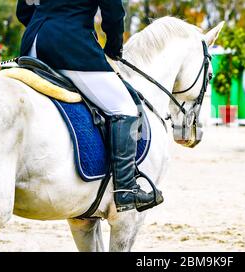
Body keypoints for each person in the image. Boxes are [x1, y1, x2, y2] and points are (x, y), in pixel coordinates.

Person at [16, 0, 162, 213]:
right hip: (70, 45)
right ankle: (125, 189)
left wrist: (46, 25)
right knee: (124, 108)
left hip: (32, 44)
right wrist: (113, 49)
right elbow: (113, 13)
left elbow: (23, 10)